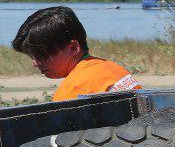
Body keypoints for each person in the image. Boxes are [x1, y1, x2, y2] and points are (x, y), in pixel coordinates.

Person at [12, 6, 140, 101]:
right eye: (32, 56)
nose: (35, 63)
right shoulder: (111, 68)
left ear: (73, 48)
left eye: (41, 55)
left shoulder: (73, 90)